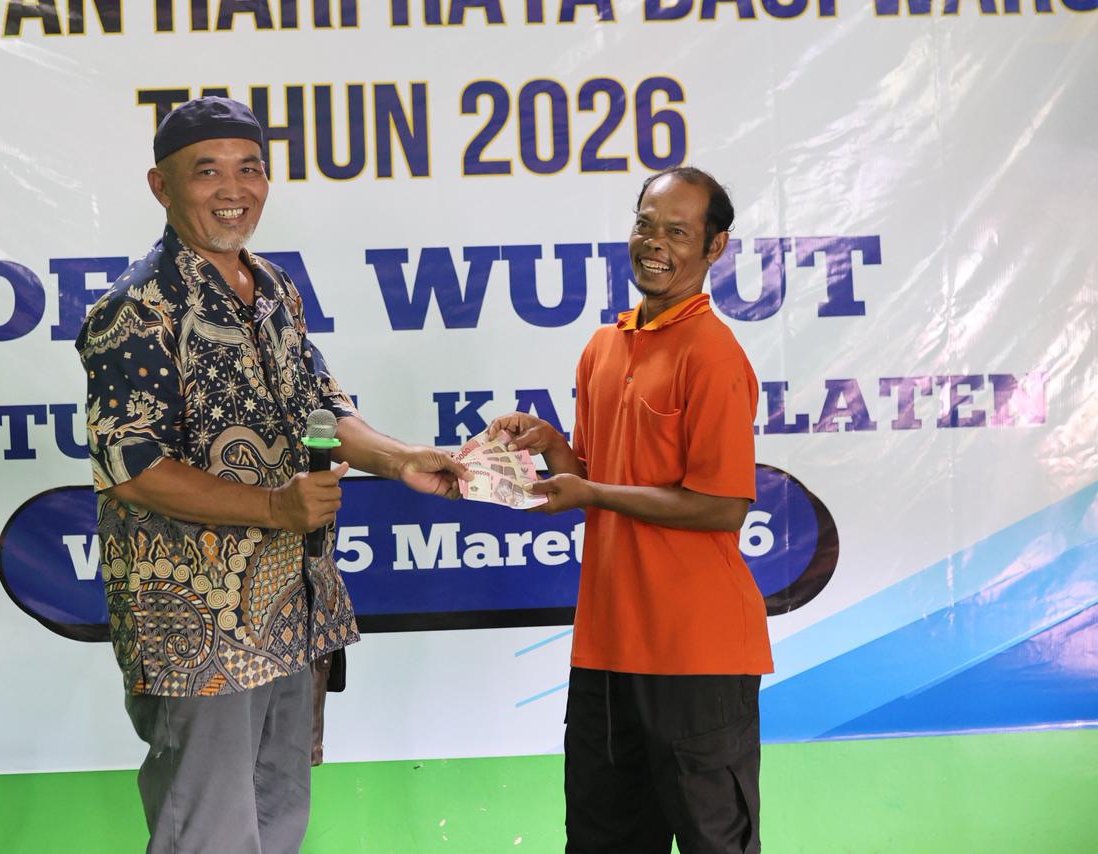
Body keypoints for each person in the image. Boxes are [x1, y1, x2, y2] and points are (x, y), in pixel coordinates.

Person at [75, 96, 467, 854]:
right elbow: (133, 469)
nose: (234, 189)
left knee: (279, 822)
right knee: (209, 835)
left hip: (291, 610)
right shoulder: (135, 309)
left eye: (249, 168)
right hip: (198, 634)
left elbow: (320, 407)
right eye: (207, 172)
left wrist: (400, 459)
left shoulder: (275, 287)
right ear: (161, 186)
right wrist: (275, 508)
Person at [489, 167, 772, 854]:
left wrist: (591, 494)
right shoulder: (602, 347)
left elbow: (721, 506)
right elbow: (593, 477)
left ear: (714, 247)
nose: (655, 243)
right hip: (606, 650)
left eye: (678, 231)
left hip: (697, 654)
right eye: (646, 225)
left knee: (714, 842)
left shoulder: (713, 354)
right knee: (602, 840)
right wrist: (552, 446)